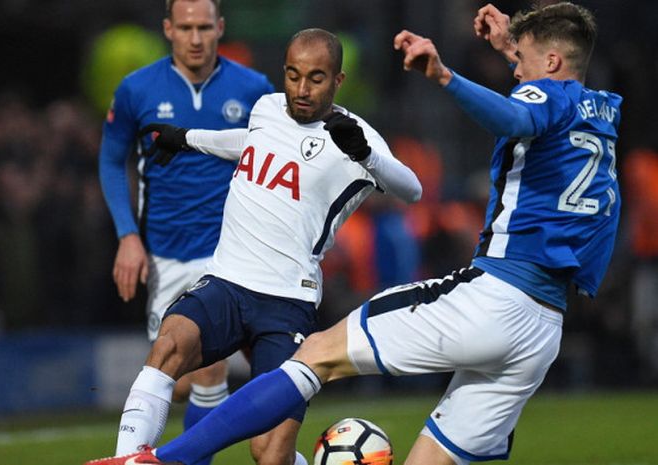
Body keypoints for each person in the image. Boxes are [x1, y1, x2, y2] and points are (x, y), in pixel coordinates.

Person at [85, 3, 622, 465]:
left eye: (522, 65)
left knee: (316, 358)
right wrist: (188, 139)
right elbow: (245, 140)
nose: (515, 73)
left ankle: (160, 459)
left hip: (493, 295)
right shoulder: (598, 113)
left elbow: (519, 117)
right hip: (543, 328)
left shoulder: (525, 102)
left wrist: (445, 77)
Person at [87, 27, 422, 465]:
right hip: (226, 282)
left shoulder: (356, 136)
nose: (301, 89)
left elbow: (411, 189)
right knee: (167, 347)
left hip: (287, 302)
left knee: (268, 452)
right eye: (293, 75)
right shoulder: (267, 107)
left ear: (337, 81)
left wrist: (367, 156)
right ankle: (129, 462)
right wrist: (185, 138)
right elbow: (247, 142)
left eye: (316, 78)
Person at [97, 0, 274, 461]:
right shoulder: (137, 89)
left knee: (211, 370)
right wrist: (127, 236)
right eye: (185, 27)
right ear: (167, 30)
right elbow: (112, 160)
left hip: (232, 251)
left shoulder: (254, 87)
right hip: (164, 253)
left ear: (220, 28)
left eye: (204, 27)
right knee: (176, 376)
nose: (195, 38)